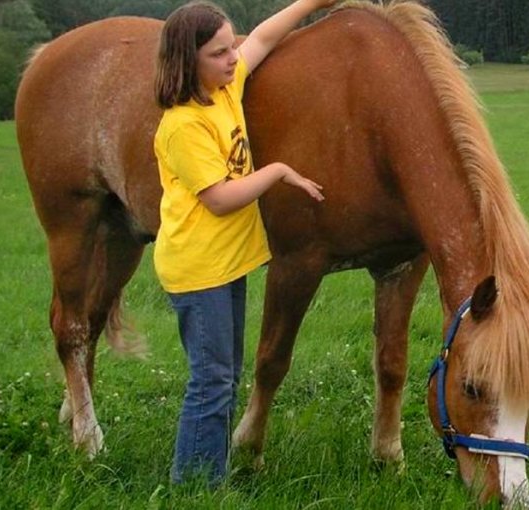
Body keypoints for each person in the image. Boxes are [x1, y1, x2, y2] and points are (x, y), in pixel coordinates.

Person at [153, 0, 335, 485]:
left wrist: (314, 3)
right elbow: (219, 198)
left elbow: (264, 37)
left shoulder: (225, 89)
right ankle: (193, 485)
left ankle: (206, 472)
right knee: (211, 382)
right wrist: (277, 171)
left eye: (231, 46)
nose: (233, 58)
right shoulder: (183, 124)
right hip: (197, 269)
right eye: (218, 53)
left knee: (224, 376)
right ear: (187, 61)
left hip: (225, 264)